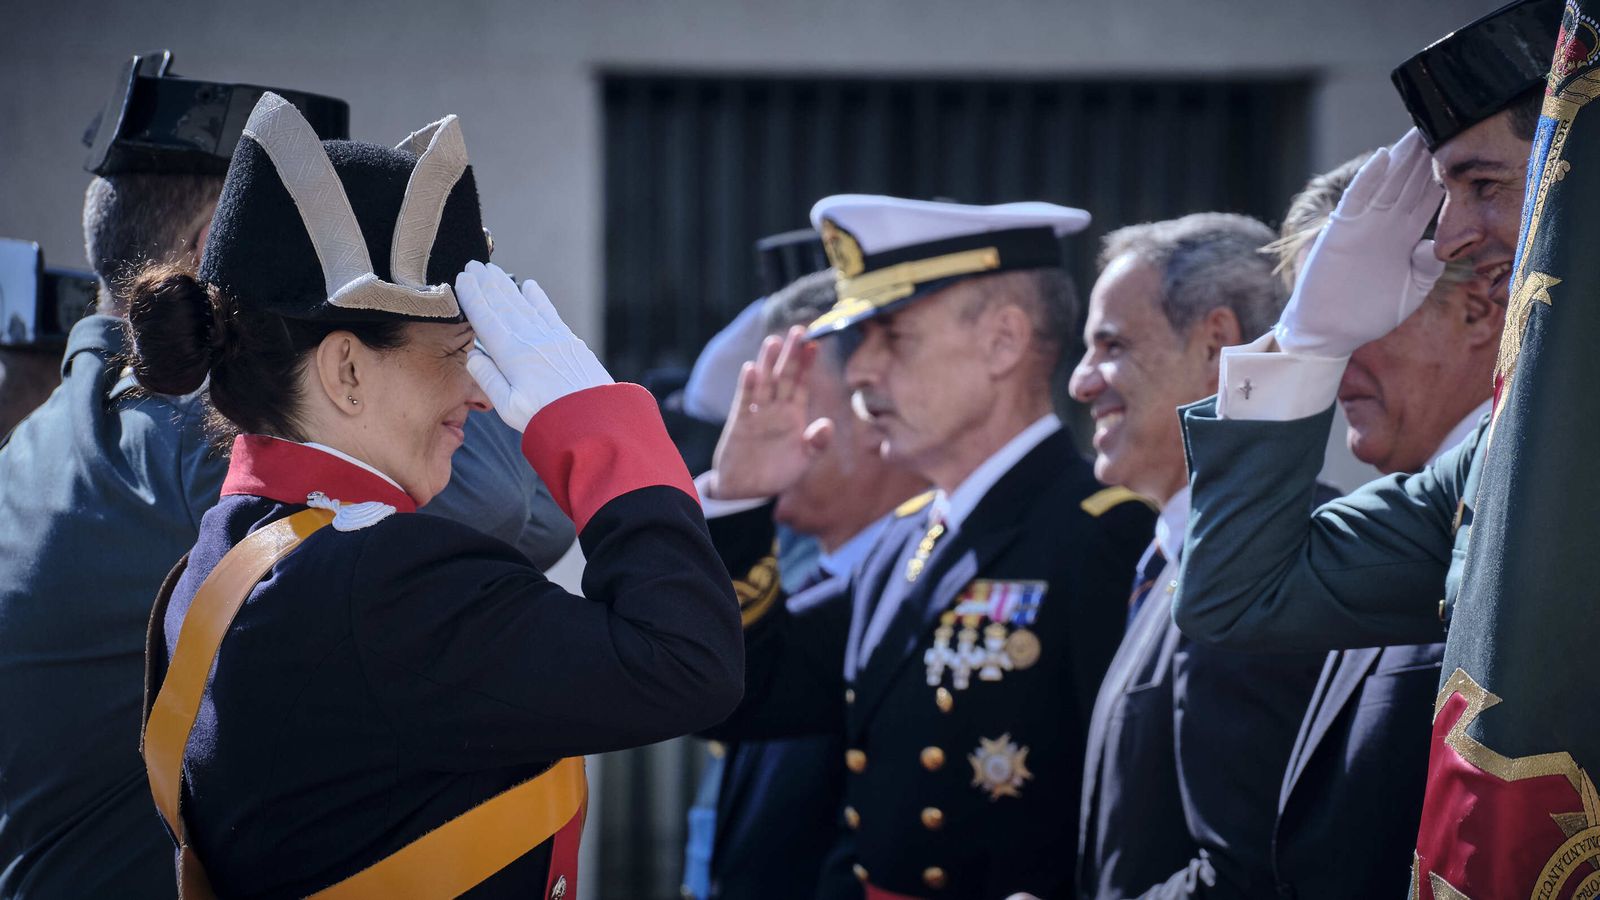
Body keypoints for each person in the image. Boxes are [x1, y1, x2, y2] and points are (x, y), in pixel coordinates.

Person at [130, 92, 742, 896]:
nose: (481, 395)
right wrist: (599, 428)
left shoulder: (221, 559)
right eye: (457, 351)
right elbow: (691, 662)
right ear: (346, 370)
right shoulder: (383, 580)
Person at [0, 64, 575, 900]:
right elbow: (510, 501)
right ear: (213, 255)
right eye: (330, 269)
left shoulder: (38, 445)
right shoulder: (193, 435)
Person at [705, 194, 1154, 899]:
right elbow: (745, 696)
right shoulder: (905, 540)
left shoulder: (1103, 536)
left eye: (892, 335)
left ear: (1003, 342)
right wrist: (739, 503)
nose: (859, 372)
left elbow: (1141, 816)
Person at [1172, 0, 1558, 652]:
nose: (1455, 235)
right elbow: (1233, 600)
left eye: (1485, 186)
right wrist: (1308, 342)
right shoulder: (1491, 463)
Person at [1260, 160, 1500, 900]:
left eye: (1351, 319)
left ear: (1478, 311)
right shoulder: (1393, 517)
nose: (1329, 366)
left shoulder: (1513, 520)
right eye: (1310, 330)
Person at [1068, 213, 1325, 899]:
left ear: (1217, 346)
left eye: (1110, 346)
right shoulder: (1178, 551)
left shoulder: (1266, 560)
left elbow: (1248, 877)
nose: (1082, 382)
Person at [685, 270, 929, 900]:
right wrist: (738, 496)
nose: (756, 426)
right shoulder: (812, 581)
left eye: (791, 395)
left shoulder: (930, 591)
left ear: (874, 407)